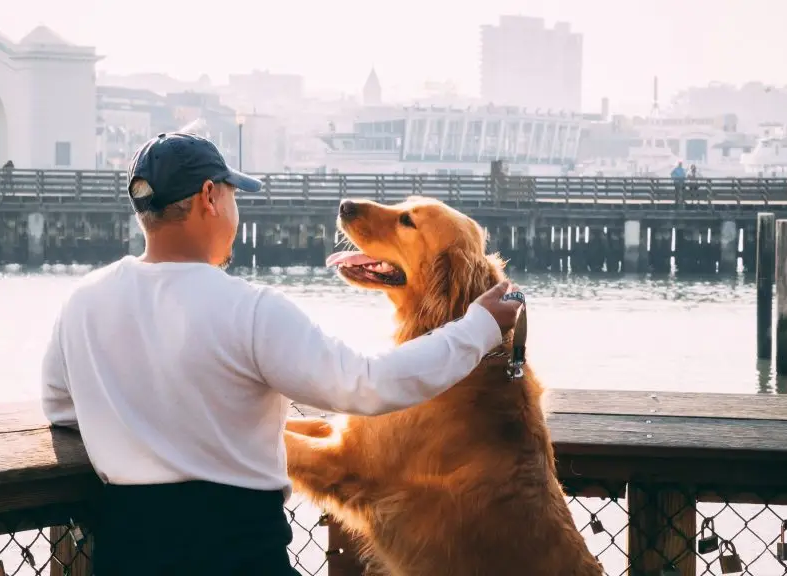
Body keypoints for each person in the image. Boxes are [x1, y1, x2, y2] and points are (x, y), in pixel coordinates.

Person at [40, 132, 524, 575]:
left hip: (127, 553)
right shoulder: (250, 310)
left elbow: (61, 409)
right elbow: (366, 383)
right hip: (238, 552)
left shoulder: (81, 303)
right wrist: (479, 327)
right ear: (210, 197)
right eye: (232, 195)